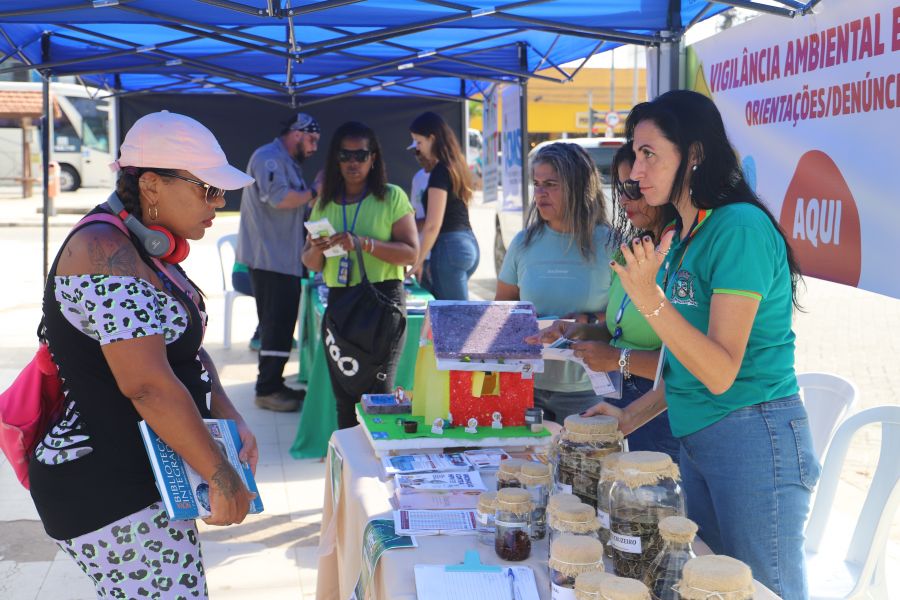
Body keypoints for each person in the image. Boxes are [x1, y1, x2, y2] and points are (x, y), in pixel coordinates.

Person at [583, 90, 817, 599]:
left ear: (692, 154)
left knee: (762, 590)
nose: (635, 171)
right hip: (700, 440)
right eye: (634, 153)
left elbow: (719, 370)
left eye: (650, 154)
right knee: (709, 585)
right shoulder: (686, 233)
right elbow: (684, 359)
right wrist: (629, 418)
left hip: (754, 438)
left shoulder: (739, 227)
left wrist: (648, 299)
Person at [31, 111, 258, 599]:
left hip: (142, 474)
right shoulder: (101, 251)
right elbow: (148, 385)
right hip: (107, 484)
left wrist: (228, 413)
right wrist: (219, 472)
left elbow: (183, 350)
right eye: (207, 189)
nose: (218, 203)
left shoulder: (137, 245)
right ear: (151, 184)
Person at [532, 144, 680, 461]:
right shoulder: (630, 247)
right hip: (621, 398)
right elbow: (620, 326)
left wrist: (617, 358)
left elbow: (685, 362)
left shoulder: (680, 255)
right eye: (622, 187)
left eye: (634, 188)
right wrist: (584, 330)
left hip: (660, 408)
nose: (624, 198)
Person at [301, 121, 418, 430]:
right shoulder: (324, 202)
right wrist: (317, 247)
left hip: (382, 302)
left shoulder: (392, 197)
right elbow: (311, 263)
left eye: (360, 155)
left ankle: (378, 472)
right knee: (344, 398)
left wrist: (364, 244)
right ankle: (349, 474)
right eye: (345, 155)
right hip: (340, 305)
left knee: (378, 396)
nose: (353, 162)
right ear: (335, 160)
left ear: (373, 158)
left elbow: (411, 253)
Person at [494, 142, 614, 423]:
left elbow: (630, 320)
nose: (540, 193)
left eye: (550, 184)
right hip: (527, 385)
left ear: (578, 186)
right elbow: (501, 313)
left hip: (590, 389)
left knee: (584, 467)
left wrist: (586, 322)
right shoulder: (523, 243)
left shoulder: (611, 244)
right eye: (536, 184)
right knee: (527, 467)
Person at [237, 113, 321, 412]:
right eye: (312, 139)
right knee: (275, 325)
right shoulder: (268, 158)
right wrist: (314, 190)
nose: (314, 147)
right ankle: (266, 389)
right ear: (297, 133)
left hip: (283, 258)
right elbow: (279, 199)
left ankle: (275, 383)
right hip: (270, 258)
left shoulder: (286, 161)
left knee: (283, 324)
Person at [407, 111, 479, 300]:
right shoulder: (457, 165)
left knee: (455, 318)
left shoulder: (440, 171)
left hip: (450, 248)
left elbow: (433, 224)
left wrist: (418, 260)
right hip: (468, 243)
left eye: (419, 142)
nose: (418, 148)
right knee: (456, 315)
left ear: (432, 138)